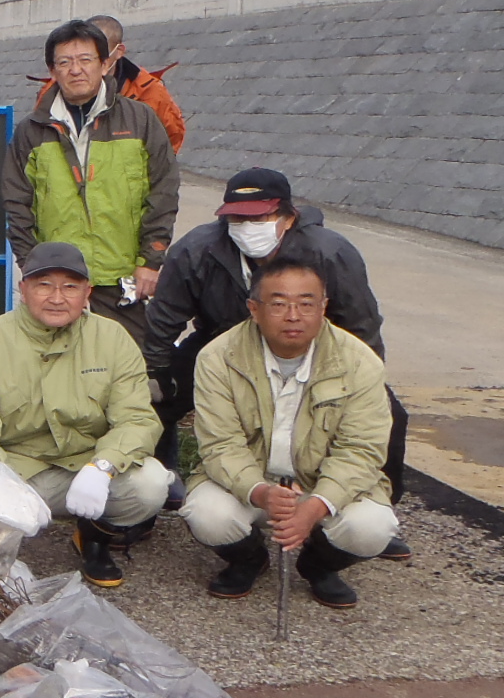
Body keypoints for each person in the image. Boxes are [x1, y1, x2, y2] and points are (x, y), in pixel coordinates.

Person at [143, 168, 401, 539]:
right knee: (154, 401)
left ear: (287, 216)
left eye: (260, 217)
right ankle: (150, 499)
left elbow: (361, 324)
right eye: (238, 217)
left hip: (318, 348)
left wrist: (364, 376)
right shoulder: (196, 250)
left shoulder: (330, 253)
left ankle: (369, 506)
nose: (248, 225)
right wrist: (157, 371)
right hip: (221, 342)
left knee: (388, 415)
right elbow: (164, 317)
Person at [0, 243, 170, 589]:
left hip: (88, 464)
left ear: (87, 293)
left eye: (70, 286)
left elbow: (137, 419)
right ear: (22, 290)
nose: (57, 297)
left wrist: (105, 466)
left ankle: (94, 537)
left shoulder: (112, 338)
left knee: (151, 486)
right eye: (43, 284)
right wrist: (2, 485)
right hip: (18, 469)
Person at [184, 250, 397, 609]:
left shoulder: (360, 362)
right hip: (250, 482)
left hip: (319, 483)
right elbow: (220, 444)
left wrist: (313, 507)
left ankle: (318, 566)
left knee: (373, 528)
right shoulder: (217, 357)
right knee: (208, 516)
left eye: (306, 303)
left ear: (324, 306)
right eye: (279, 304)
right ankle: (250, 559)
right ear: (254, 309)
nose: (294, 316)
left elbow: (362, 450)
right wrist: (262, 492)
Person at [3, 18, 178, 344]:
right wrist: (30, 266)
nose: (76, 70)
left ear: (106, 63)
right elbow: (17, 203)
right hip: (57, 280)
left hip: (122, 278)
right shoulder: (31, 130)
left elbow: (163, 192)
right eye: (65, 62)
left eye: (86, 60)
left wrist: (151, 261)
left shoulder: (141, 120)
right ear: (52, 70)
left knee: (126, 371)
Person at [92, 16, 186, 153]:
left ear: (119, 51)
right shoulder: (61, 88)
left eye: (100, 51)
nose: (93, 58)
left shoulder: (149, 92)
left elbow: (172, 137)